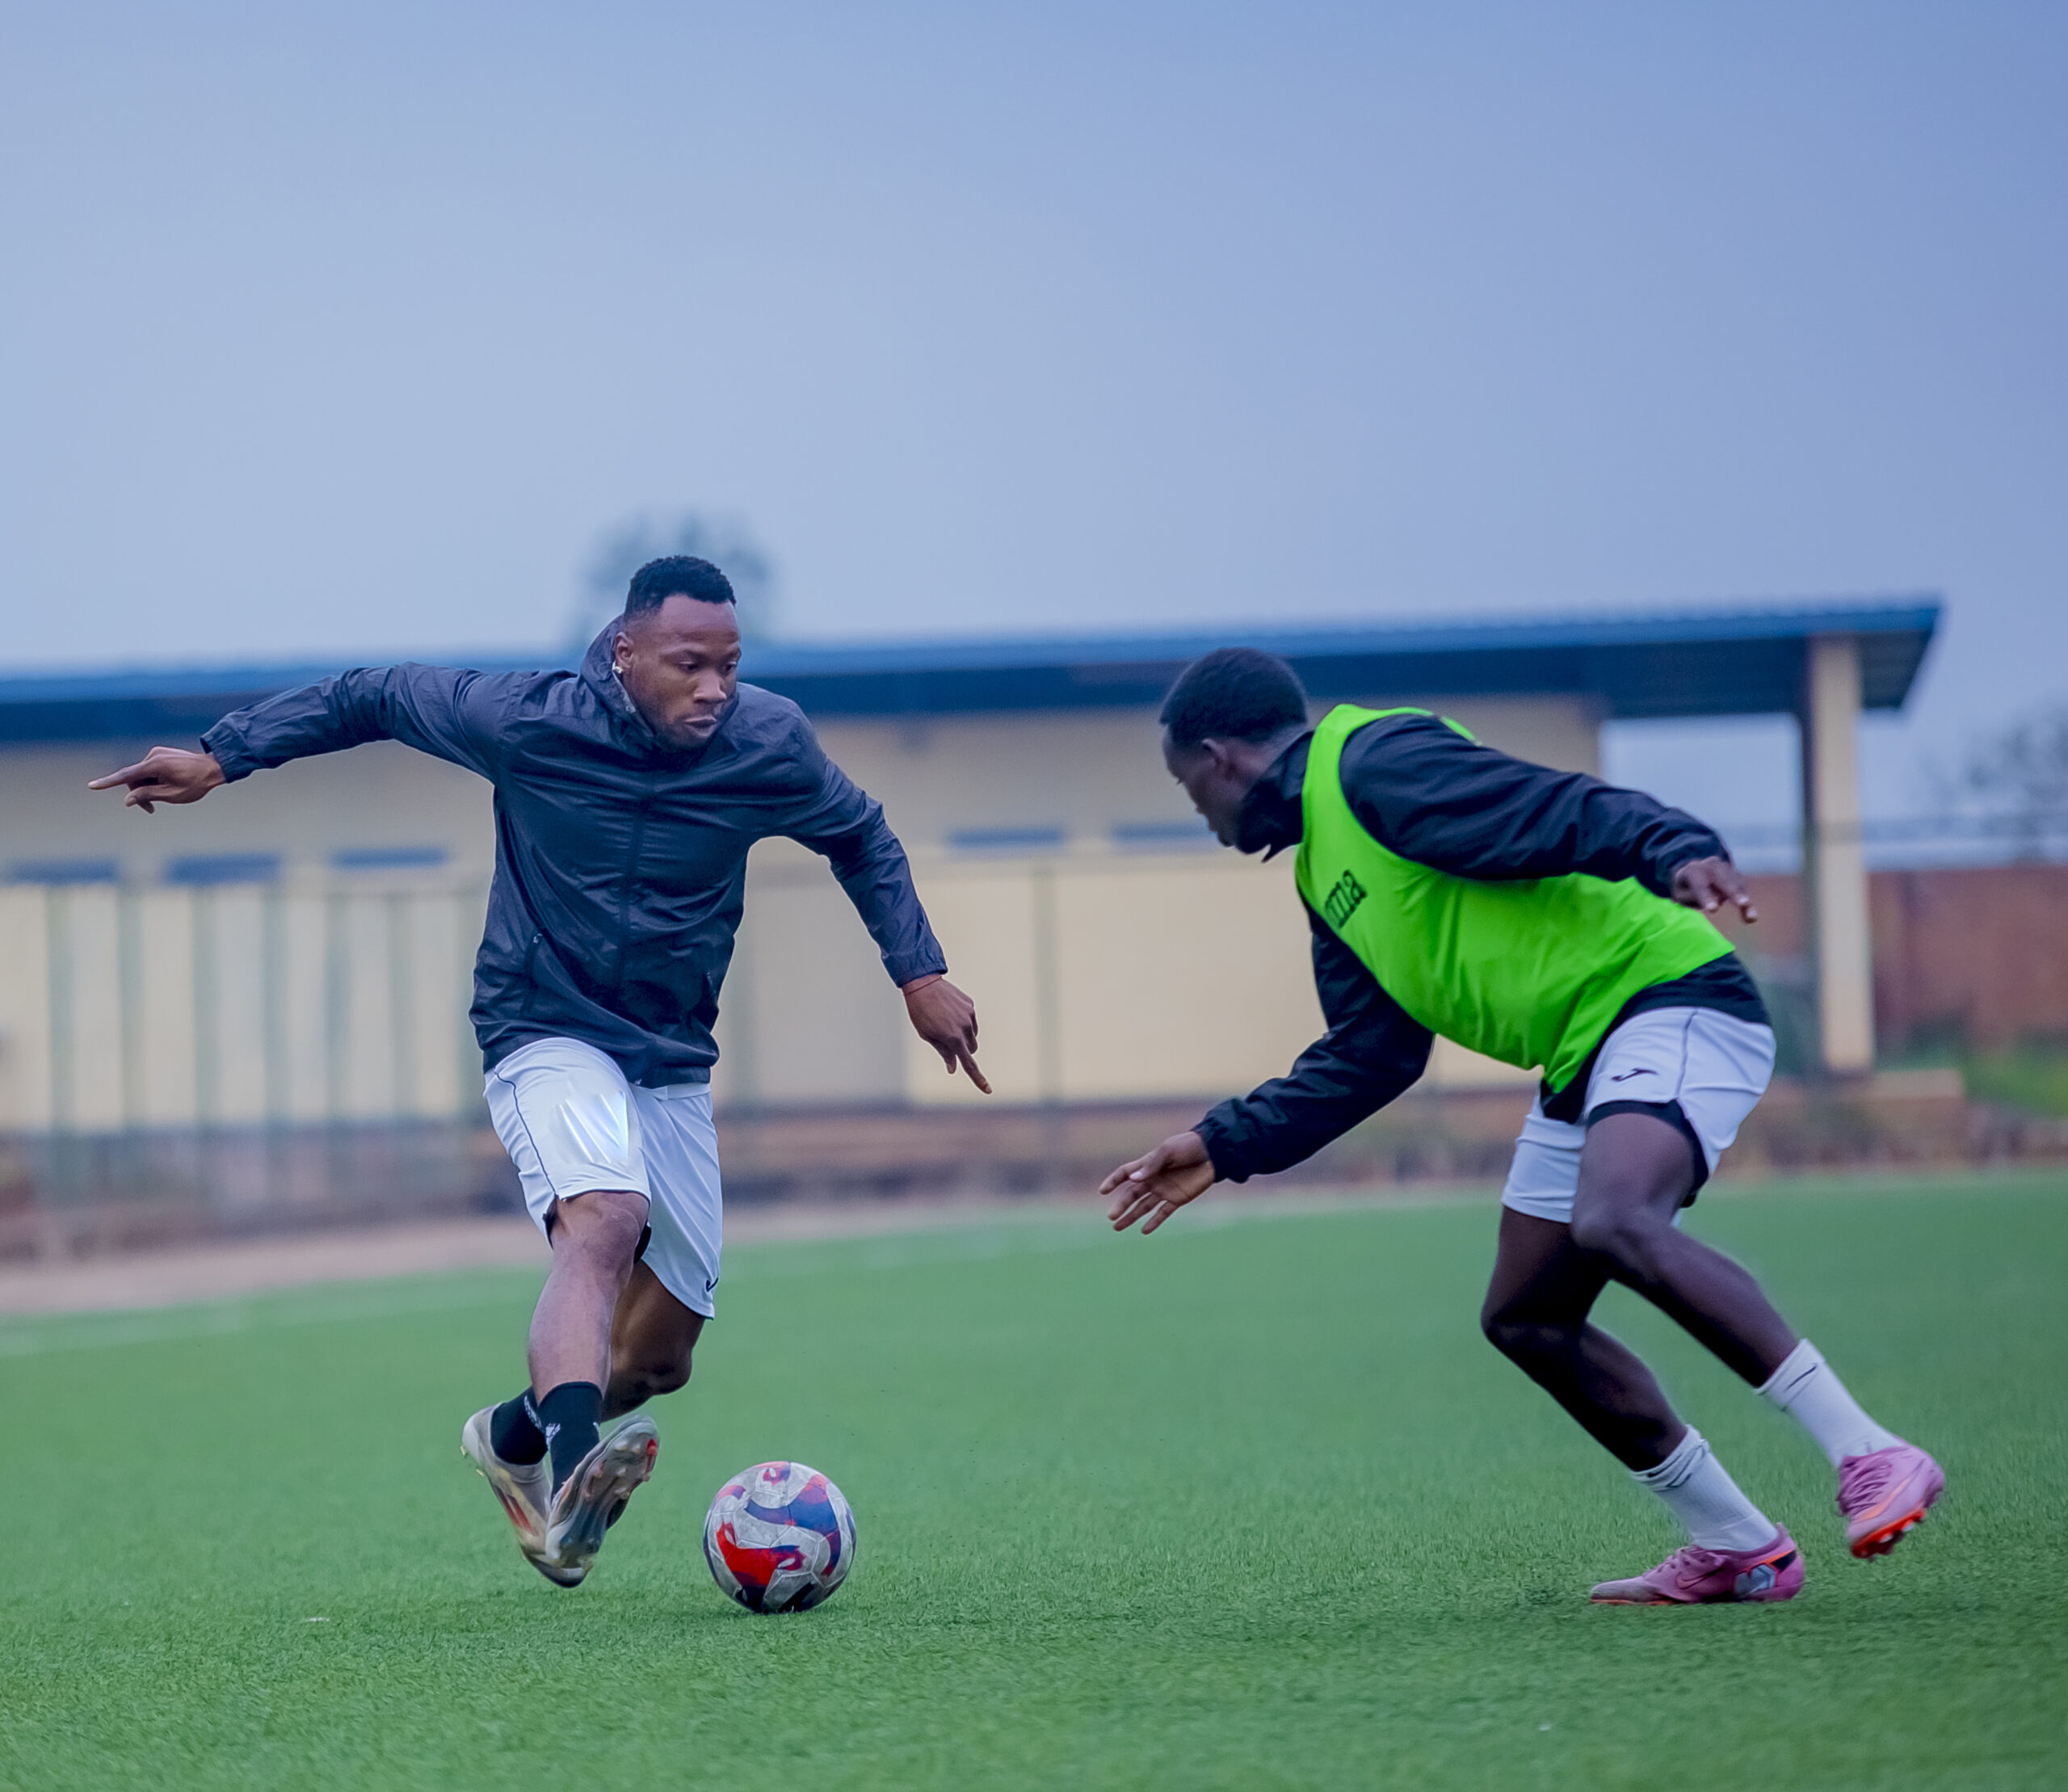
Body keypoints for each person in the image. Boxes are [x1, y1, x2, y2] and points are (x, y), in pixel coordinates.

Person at [90, 556, 988, 1587]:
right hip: (542, 1024)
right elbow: (372, 694)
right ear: (625, 651)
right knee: (602, 1217)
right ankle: (569, 1490)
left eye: (730, 666)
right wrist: (223, 754)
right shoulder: (527, 721)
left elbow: (859, 834)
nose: (714, 688)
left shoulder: (768, 742)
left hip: (668, 1055)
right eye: (689, 664)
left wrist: (920, 972)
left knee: (656, 1362)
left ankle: (514, 1435)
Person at [1100, 647, 1943, 1605]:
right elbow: (1373, 1052)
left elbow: (1554, 806)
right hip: (1582, 1053)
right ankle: (1739, 1546)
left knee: (1615, 1219)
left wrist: (1672, 843)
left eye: (1189, 790)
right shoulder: (1321, 873)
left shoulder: (1373, 761)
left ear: (1219, 758)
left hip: (1664, 995)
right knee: (1527, 1318)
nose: (1202, 817)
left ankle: (1869, 1450)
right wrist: (1223, 1143)